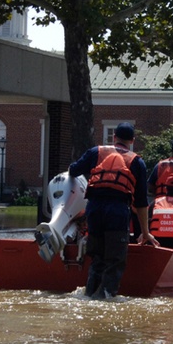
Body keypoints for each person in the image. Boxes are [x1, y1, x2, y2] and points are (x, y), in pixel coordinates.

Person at [68, 122, 157, 299]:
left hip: (94, 211)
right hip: (117, 212)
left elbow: (73, 170)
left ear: (114, 137)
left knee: (97, 259)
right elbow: (141, 203)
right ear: (132, 141)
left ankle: (89, 296)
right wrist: (145, 233)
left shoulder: (95, 152)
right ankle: (105, 298)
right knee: (115, 261)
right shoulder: (137, 162)